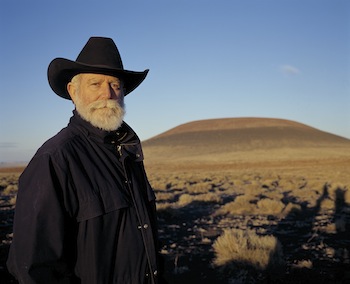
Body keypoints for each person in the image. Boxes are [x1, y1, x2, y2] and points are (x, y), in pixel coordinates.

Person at [7, 37, 165, 284]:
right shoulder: (56, 159)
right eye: (95, 84)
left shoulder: (128, 153)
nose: (107, 94)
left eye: (115, 84)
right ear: (73, 91)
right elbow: (34, 268)